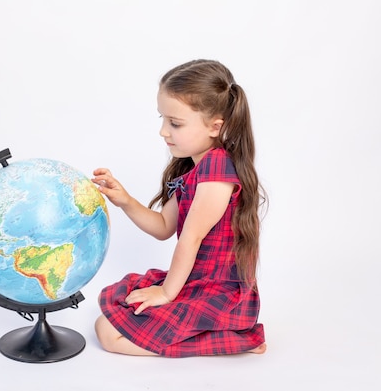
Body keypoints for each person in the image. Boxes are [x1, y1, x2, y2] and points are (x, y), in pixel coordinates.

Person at [91, 59, 267, 357]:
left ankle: (240, 339)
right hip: (195, 281)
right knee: (109, 314)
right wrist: (125, 201)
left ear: (215, 126)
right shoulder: (195, 170)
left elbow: (190, 239)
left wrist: (167, 292)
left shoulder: (216, 171)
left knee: (109, 335)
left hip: (218, 294)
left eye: (175, 123)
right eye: (162, 119)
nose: (163, 131)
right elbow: (163, 227)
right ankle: (228, 335)